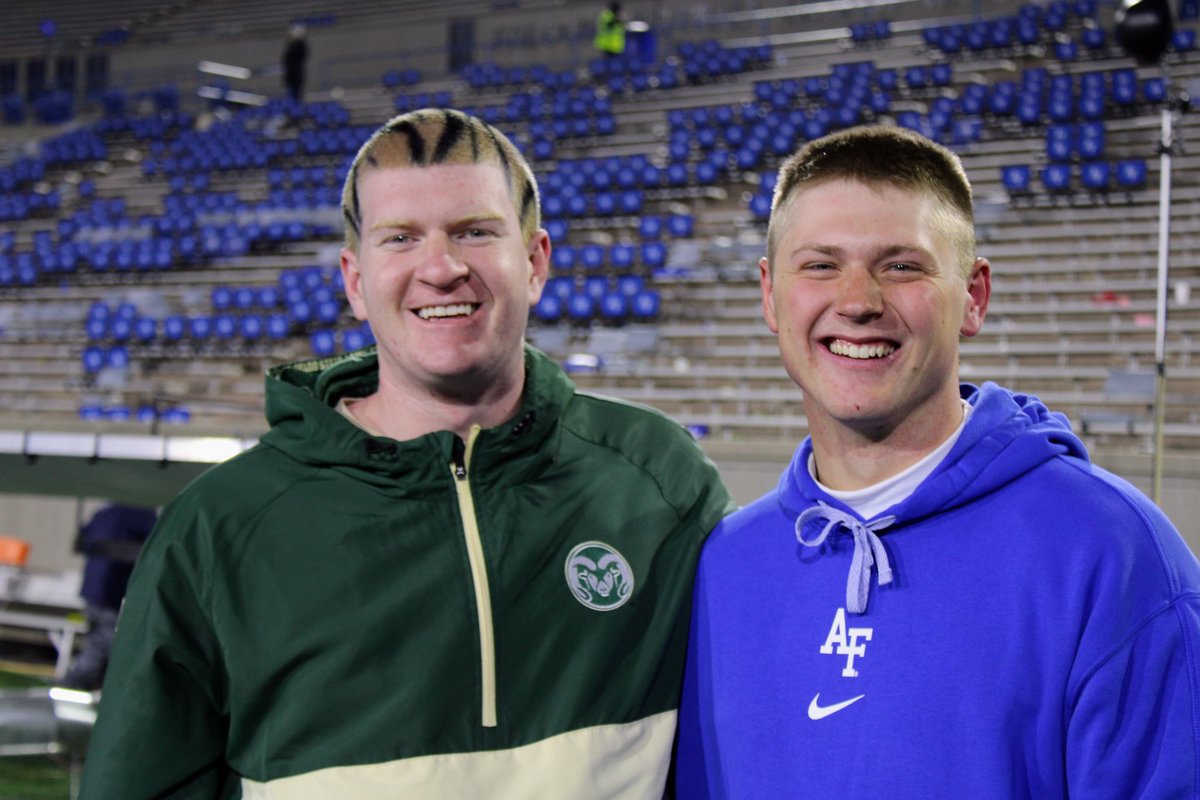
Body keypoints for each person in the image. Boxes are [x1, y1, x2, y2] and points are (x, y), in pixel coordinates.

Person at [80, 108, 733, 798]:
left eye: (475, 232)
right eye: (401, 238)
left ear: (536, 261)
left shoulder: (657, 482)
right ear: (355, 281)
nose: (442, 268)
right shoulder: (218, 528)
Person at [675, 125, 1200, 798]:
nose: (859, 301)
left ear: (973, 297)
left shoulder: (1113, 553)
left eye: (902, 265)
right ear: (770, 295)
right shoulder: (728, 562)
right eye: (820, 265)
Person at [60, 503, 156, 691]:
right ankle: (77, 684)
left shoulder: (105, 513)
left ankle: (80, 684)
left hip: (93, 591)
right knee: (110, 643)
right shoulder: (142, 516)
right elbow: (157, 545)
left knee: (100, 641)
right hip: (111, 593)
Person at [281, 23, 308, 102]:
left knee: (296, 95)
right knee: (290, 94)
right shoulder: (290, 47)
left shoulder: (300, 47)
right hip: (291, 76)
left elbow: (301, 56)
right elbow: (286, 60)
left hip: (296, 76)